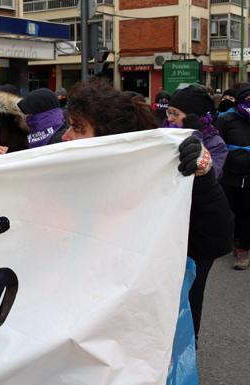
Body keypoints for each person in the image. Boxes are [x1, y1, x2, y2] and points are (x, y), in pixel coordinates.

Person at [63, 80, 233, 342]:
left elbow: (213, 240)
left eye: (77, 128)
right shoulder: (63, 181)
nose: (65, 136)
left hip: (139, 333)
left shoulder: (160, 178)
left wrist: (202, 177)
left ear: (107, 136)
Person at [215, 83, 250, 270]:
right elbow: (217, 145)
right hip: (230, 175)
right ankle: (234, 240)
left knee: (247, 212)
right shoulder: (226, 119)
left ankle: (244, 249)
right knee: (231, 210)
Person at [165, 85, 228, 180]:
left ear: (193, 117)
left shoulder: (216, 144)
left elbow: (209, 178)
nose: (169, 119)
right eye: (169, 112)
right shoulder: (166, 134)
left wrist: (193, 136)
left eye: (175, 114)